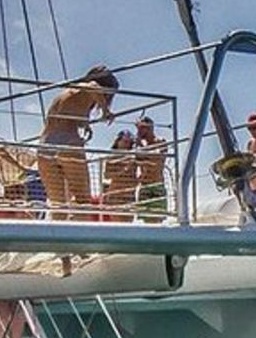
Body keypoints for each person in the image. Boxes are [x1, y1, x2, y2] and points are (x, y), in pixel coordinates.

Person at [38, 65, 117, 218]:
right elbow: (93, 87)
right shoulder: (87, 88)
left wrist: (85, 124)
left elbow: (68, 113)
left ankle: (58, 236)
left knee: (58, 203)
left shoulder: (67, 93)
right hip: (67, 144)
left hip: (45, 145)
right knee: (83, 201)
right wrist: (106, 111)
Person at [133, 115, 170, 221]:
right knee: (145, 220)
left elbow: (156, 161)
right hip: (144, 186)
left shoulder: (160, 142)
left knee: (157, 220)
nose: (139, 131)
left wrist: (142, 147)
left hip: (157, 185)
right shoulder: (140, 146)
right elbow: (139, 161)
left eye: (141, 128)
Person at [101, 130, 138, 221]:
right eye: (125, 142)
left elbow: (134, 175)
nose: (127, 145)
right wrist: (122, 171)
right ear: (118, 141)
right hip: (116, 195)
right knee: (118, 222)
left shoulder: (133, 157)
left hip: (129, 195)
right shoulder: (112, 157)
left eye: (129, 143)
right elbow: (107, 175)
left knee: (129, 223)